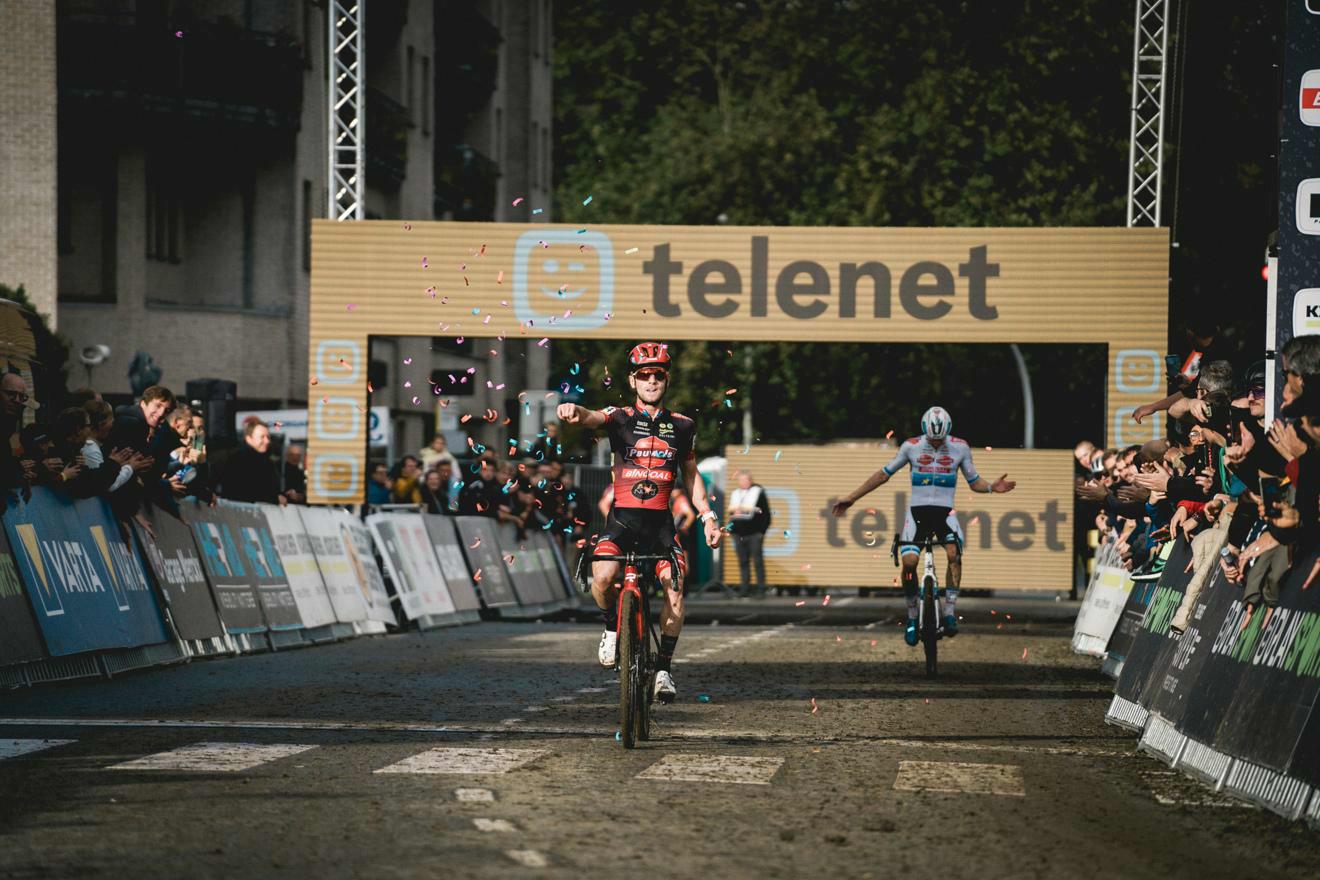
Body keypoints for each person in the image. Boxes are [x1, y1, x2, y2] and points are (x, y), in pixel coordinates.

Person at [557, 341, 722, 704]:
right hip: (622, 522)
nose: (651, 381)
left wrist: (708, 517)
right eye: (644, 375)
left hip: (661, 527)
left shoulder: (683, 426)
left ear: (666, 379)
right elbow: (591, 417)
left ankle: (663, 669)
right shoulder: (619, 417)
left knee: (676, 591)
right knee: (601, 577)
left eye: (658, 375)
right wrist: (574, 409)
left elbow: (692, 477)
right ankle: (611, 627)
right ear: (633, 381)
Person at [832, 406, 1015, 645]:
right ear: (924, 433)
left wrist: (991, 487)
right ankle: (911, 617)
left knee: (953, 555)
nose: (936, 445)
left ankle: (949, 613)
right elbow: (883, 475)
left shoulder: (960, 447)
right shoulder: (911, 446)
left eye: (940, 441)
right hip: (917, 514)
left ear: (948, 433)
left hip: (945, 514)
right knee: (909, 563)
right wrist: (852, 497)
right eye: (932, 441)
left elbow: (973, 481)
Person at [218, 419, 284, 504]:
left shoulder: (268, 462)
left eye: (268, 437)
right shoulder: (237, 461)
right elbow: (239, 493)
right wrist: (274, 498)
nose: (267, 441)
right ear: (249, 439)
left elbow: (272, 490)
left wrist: (285, 495)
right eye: (262, 437)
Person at [725, 471, 769, 596]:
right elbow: (731, 512)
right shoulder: (736, 494)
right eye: (742, 480)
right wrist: (731, 530)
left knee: (757, 561)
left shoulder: (758, 493)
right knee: (743, 561)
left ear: (751, 481)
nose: (744, 482)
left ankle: (761, 588)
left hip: (754, 532)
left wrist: (762, 531)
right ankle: (745, 588)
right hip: (739, 533)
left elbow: (765, 512)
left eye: (746, 480)